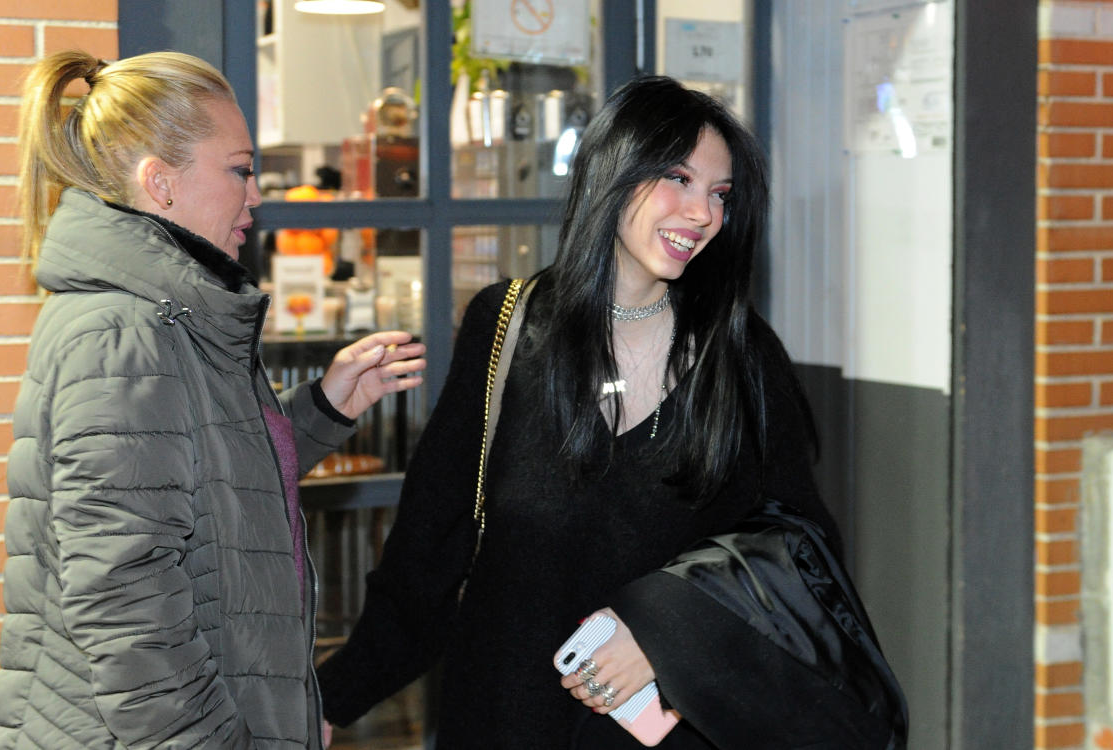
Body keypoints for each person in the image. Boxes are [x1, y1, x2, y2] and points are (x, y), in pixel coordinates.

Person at [315, 75, 905, 749]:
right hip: (506, 723)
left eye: (720, 194)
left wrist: (664, 631)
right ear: (614, 170)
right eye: (678, 179)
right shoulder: (506, 329)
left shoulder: (738, 355)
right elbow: (428, 553)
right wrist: (333, 699)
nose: (703, 213)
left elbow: (801, 549)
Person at [0, 50, 425, 750]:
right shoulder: (123, 333)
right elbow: (126, 604)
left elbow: (211, 481)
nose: (256, 195)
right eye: (239, 170)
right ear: (159, 182)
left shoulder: (177, 312)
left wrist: (325, 406)